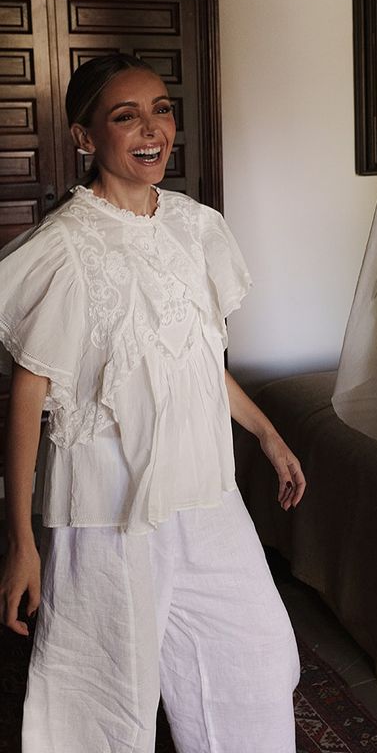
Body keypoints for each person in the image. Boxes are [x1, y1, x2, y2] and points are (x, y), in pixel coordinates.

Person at [0, 53, 305, 752]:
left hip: (205, 495)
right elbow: (28, 397)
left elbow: (193, 362)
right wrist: (22, 540)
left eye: (161, 109)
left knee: (253, 658)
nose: (151, 128)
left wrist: (267, 434)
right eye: (125, 114)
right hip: (108, 512)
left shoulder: (195, 227)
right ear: (85, 138)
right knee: (102, 699)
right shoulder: (64, 248)